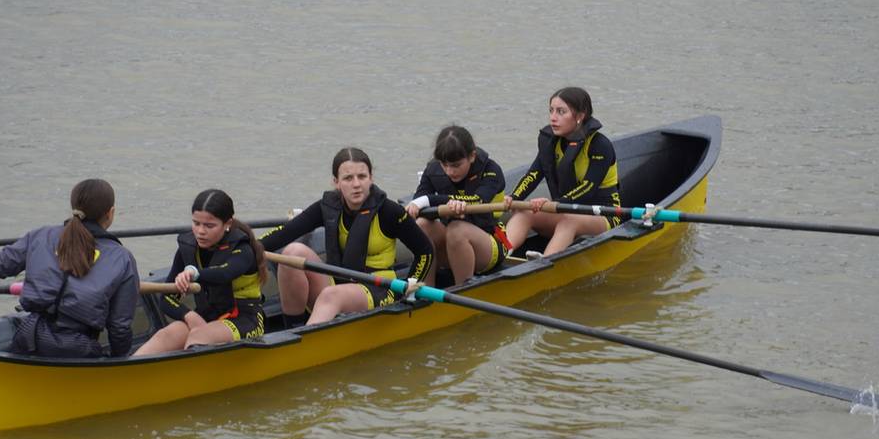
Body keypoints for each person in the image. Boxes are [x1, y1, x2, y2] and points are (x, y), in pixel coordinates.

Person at [260, 147, 434, 327]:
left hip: (380, 288)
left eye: (362, 176)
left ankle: (303, 345)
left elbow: (425, 251)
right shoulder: (327, 207)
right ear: (336, 182)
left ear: (371, 178)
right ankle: (293, 330)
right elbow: (285, 232)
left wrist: (408, 286)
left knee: (330, 295)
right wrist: (249, 246)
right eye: (348, 178)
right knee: (291, 253)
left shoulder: (389, 212)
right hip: (338, 282)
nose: (356, 184)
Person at [0, 178, 139, 358]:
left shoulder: (41, 235)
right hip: (76, 349)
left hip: (29, 337)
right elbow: (119, 327)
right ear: (111, 213)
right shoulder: (122, 258)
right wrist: (121, 361)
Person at [133, 189, 267, 355]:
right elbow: (167, 298)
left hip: (246, 319)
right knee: (168, 334)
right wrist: (189, 315)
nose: (201, 231)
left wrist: (193, 273)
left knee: (198, 337)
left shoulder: (243, 249)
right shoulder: (188, 248)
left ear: (228, 224)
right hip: (207, 315)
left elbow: (224, 274)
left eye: (209, 226)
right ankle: (124, 374)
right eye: (196, 223)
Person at [503, 87, 623, 256]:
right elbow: (533, 175)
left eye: (561, 112)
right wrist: (513, 197)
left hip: (604, 215)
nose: (553, 118)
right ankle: (501, 255)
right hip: (564, 210)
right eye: (551, 111)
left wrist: (554, 204)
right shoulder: (551, 142)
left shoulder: (599, 145)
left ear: (580, 116)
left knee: (569, 221)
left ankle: (543, 265)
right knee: (524, 213)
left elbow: (589, 187)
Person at [404, 125, 510, 286]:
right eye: (444, 165)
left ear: (472, 156)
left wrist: (433, 201)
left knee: (457, 230)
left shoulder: (491, 170)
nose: (449, 171)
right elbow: (421, 201)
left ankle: (462, 290)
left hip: (490, 242)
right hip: (451, 246)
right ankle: (425, 293)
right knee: (422, 225)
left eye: (456, 165)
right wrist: (416, 206)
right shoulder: (432, 169)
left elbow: (478, 200)